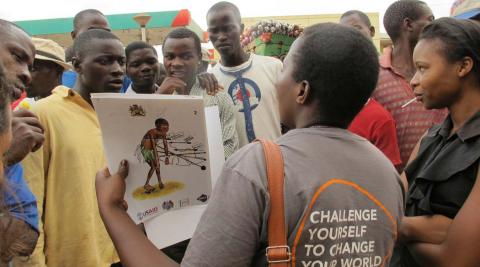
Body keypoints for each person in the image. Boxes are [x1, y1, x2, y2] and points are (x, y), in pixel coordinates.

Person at [96, 22, 404, 267]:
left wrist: (113, 211)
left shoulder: (258, 166)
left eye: (284, 71)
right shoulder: (386, 173)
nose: (276, 81)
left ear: (302, 91)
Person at [19, 29, 125, 267]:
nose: (117, 69)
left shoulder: (120, 114)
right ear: (77, 65)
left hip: (118, 252)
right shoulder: (41, 115)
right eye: (104, 61)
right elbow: (28, 202)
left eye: (121, 61)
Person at [395, 18, 480, 267]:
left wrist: (401, 230)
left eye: (422, 68)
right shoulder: (430, 137)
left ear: (463, 66)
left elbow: (457, 259)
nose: (413, 80)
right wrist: (444, 230)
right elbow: (388, 206)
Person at [373, 0, 447, 171]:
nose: (435, 25)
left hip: (442, 177)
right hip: (393, 181)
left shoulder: (443, 69)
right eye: (430, 19)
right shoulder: (373, 74)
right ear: (408, 24)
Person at [207, 1, 282, 147]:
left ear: (241, 29)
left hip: (276, 164)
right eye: (214, 31)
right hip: (235, 167)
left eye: (228, 28)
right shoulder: (210, 82)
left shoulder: (273, 67)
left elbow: (291, 119)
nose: (221, 36)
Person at [158, 28, 238, 158]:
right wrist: (155, 101)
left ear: (199, 58)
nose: (177, 63)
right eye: (170, 56)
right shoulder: (157, 97)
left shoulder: (218, 97)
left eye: (186, 56)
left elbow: (230, 147)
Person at [0, 19, 43, 261]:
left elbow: (23, 237)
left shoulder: (8, 133)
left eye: (30, 65)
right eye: (17, 57)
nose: (27, 74)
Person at [340, 10, 402, 169]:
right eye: (345, 32)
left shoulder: (388, 67)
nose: (351, 35)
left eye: (356, 28)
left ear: (372, 31)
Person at [139, 118, 170, 193]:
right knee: (154, 166)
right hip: (146, 150)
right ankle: (146, 184)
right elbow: (153, 146)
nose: (166, 129)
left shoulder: (163, 134)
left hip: (152, 150)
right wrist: (156, 156)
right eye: (164, 127)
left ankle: (160, 183)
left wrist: (167, 157)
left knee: (158, 165)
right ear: (158, 127)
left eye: (167, 127)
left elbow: (165, 145)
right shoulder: (151, 132)